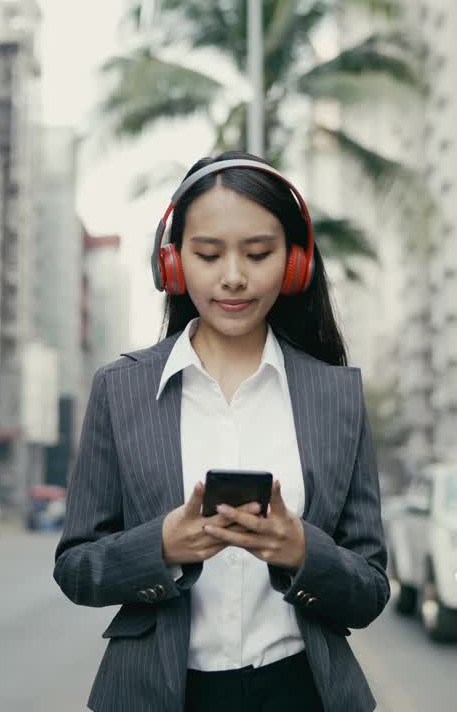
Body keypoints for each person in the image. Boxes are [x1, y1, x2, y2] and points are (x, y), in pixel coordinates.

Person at [53, 151, 390, 712]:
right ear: (174, 262)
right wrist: (161, 546)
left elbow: (371, 589)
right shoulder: (121, 389)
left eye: (258, 254)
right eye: (208, 254)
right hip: (158, 695)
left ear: (294, 263)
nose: (233, 276)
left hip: (301, 691)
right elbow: (75, 568)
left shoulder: (337, 395)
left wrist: (301, 550)